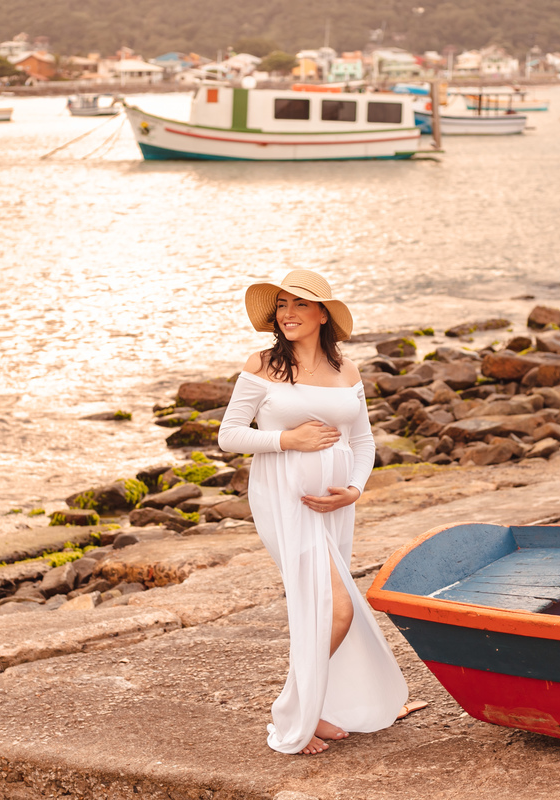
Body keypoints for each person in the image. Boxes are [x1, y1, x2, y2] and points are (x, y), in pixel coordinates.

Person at [218, 269, 410, 756]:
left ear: (323, 314)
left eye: (300, 305)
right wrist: (288, 440)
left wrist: (354, 488)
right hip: (283, 499)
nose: (288, 314)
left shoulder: (346, 370)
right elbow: (230, 435)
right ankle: (294, 710)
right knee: (336, 607)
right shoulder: (261, 365)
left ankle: (315, 706)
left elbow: (363, 440)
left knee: (318, 606)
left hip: (334, 506)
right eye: (281, 306)